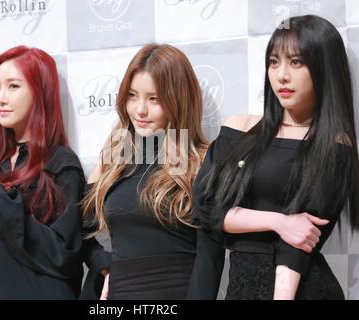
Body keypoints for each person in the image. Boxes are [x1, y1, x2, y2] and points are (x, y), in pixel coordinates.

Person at [193, 15, 359, 300]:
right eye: (273, 61)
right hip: (242, 287)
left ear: (324, 69)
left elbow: (297, 245)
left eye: (296, 62)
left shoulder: (334, 147)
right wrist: (278, 221)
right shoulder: (238, 128)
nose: (281, 74)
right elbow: (205, 209)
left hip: (297, 290)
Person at [0, 45, 109, 300]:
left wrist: (2, 201)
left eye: (13, 86)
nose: (0, 98)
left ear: (40, 92)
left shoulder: (60, 165)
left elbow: (63, 254)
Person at [82, 43, 225, 300]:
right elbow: (81, 229)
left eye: (154, 98)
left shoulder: (201, 160)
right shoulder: (117, 155)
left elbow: (210, 258)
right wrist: (104, 265)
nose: (140, 110)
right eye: (132, 95)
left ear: (178, 100)